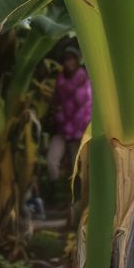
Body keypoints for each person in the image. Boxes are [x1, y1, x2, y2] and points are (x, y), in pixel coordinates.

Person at [46, 46, 92, 182]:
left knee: (78, 169)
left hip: (80, 133)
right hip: (62, 129)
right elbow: (57, 103)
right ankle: (56, 190)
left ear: (77, 61)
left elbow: (86, 109)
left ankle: (76, 198)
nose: (68, 63)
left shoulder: (85, 80)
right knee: (52, 162)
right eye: (66, 60)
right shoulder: (60, 81)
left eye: (71, 59)